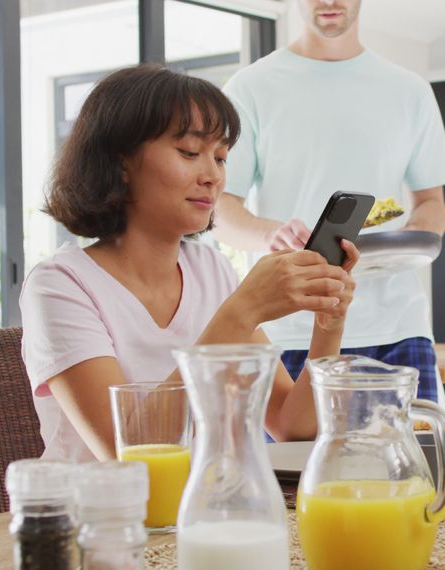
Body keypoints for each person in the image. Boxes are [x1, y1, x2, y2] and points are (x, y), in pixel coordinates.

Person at [20, 64, 359, 463]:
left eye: (220, 158)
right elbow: (126, 451)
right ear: (121, 160)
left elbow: (290, 426)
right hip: (93, 517)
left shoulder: (210, 270)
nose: (213, 176)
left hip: (197, 514)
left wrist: (328, 325)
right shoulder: (60, 284)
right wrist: (244, 309)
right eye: (190, 153)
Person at [214, 0, 445, 402]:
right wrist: (272, 235)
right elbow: (221, 211)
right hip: (290, 329)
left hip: (397, 325)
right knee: (294, 466)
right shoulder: (250, 86)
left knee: (418, 463)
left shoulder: (410, 90)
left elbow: (432, 202)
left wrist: (412, 237)